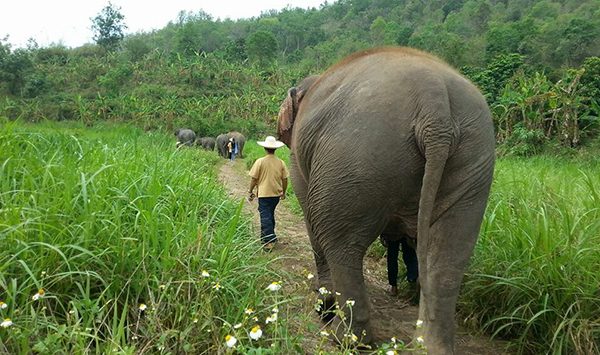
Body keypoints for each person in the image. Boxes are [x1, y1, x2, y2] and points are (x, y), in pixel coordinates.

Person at [248, 136, 289, 250]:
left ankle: (269, 241)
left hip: (264, 194)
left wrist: (250, 190)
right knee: (269, 215)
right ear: (275, 149)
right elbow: (285, 179)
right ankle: (267, 237)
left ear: (265, 148)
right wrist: (283, 192)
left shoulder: (260, 162)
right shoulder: (281, 162)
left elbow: (254, 179)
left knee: (265, 217)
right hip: (276, 194)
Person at [380, 233, 419, 299]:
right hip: (405, 231)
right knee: (409, 256)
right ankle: (412, 285)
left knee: (393, 256)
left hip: (395, 230)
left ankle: (395, 286)